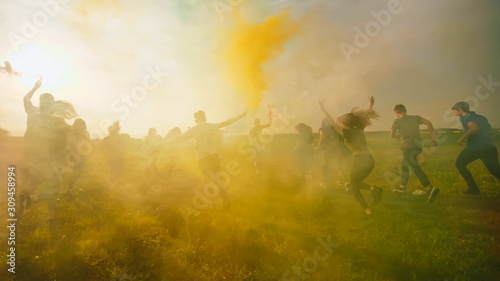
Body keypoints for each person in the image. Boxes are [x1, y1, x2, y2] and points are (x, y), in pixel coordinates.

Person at [20, 78, 76, 220]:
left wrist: (35, 87)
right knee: (51, 186)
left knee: (35, 184)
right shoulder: (51, 117)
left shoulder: (35, 113)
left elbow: (26, 99)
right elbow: (63, 139)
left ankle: (26, 210)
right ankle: (44, 211)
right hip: (45, 158)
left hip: (36, 157)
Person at [319, 96, 383, 215]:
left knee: (354, 187)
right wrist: (370, 105)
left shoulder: (345, 132)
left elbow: (331, 120)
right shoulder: (359, 128)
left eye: (340, 122)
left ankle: (368, 212)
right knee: (355, 182)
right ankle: (374, 189)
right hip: (370, 160)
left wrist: (323, 108)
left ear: (343, 124)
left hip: (359, 160)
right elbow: (368, 116)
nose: (338, 123)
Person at [390, 104, 439, 203]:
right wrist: (432, 138)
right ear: (405, 110)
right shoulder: (416, 118)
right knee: (404, 164)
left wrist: (400, 135)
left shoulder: (397, 121)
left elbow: (391, 135)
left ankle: (430, 187)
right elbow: (429, 123)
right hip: (418, 146)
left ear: (396, 113)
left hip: (407, 147)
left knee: (414, 167)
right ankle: (402, 187)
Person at [181, 110, 247, 178]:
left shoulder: (193, 130)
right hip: (213, 156)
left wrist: (169, 141)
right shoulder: (210, 126)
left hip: (201, 158)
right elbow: (226, 123)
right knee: (217, 178)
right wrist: (240, 116)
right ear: (205, 118)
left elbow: (179, 138)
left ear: (196, 120)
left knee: (207, 179)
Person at [452, 101, 500, 194]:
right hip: (489, 148)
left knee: (459, 164)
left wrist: (461, 139)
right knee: (496, 171)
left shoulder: (464, 117)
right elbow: (490, 132)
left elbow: (474, 128)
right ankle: (473, 189)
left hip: (475, 149)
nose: (455, 114)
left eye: (455, 111)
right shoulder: (481, 117)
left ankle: (473, 189)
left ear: (460, 109)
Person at [317, 118, 350, 189]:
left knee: (325, 166)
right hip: (336, 149)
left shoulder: (322, 129)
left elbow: (323, 137)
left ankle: (324, 183)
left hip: (327, 150)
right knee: (339, 167)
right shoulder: (335, 130)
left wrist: (318, 147)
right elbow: (339, 139)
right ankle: (346, 182)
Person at [66, 118, 90, 195]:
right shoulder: (70, 132)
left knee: (77, 173)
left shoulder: (85, 133)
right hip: (70, 155)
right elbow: (68, 142)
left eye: (81, 125)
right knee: (73, 173)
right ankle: (69, 189)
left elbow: (86, 144)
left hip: (80, 155)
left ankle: (72, 188)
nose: (80, 126)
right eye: (78, 124)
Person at [248, 110, 272, 174]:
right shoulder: (259, 127)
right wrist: (270, 116)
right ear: (258, 122)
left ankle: (257, 170)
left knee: (256, 158)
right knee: (259, 157)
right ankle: (259, 170)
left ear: (254, 123)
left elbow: (249, 138)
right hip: (259, 144)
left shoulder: (252, 129)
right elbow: (270, 124)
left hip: (255, 144)